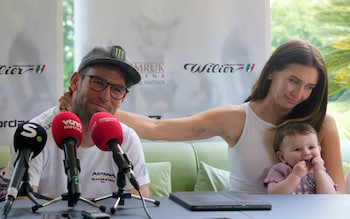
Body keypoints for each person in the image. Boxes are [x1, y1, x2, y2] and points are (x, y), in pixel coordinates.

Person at [59, 39, 345, 193]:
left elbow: (337, 197)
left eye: (310, 87)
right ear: (272, 72)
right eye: (293, 80)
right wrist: (99, 107)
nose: (299, 93)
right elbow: (158, 129)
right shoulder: (235, 119)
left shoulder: (323, 125)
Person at [4, 45, 150, 199]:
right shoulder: (36, 135)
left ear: (123, 98)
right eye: (99, 82)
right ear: (75, 82)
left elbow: (139, 203)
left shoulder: (126, 138)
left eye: (117, 89)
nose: (106, 96)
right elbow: (22, 205)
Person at [263, 122, 337, 194]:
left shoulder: (319, 170)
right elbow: (273, 193)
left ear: (319, 150)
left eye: (311, 147)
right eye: (297, 149)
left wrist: (319, 171)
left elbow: (329, 196)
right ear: (282, 157)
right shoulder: (281, 169)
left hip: (315, 206)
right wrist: (296, 175)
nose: (307, 152)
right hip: (287, 206)